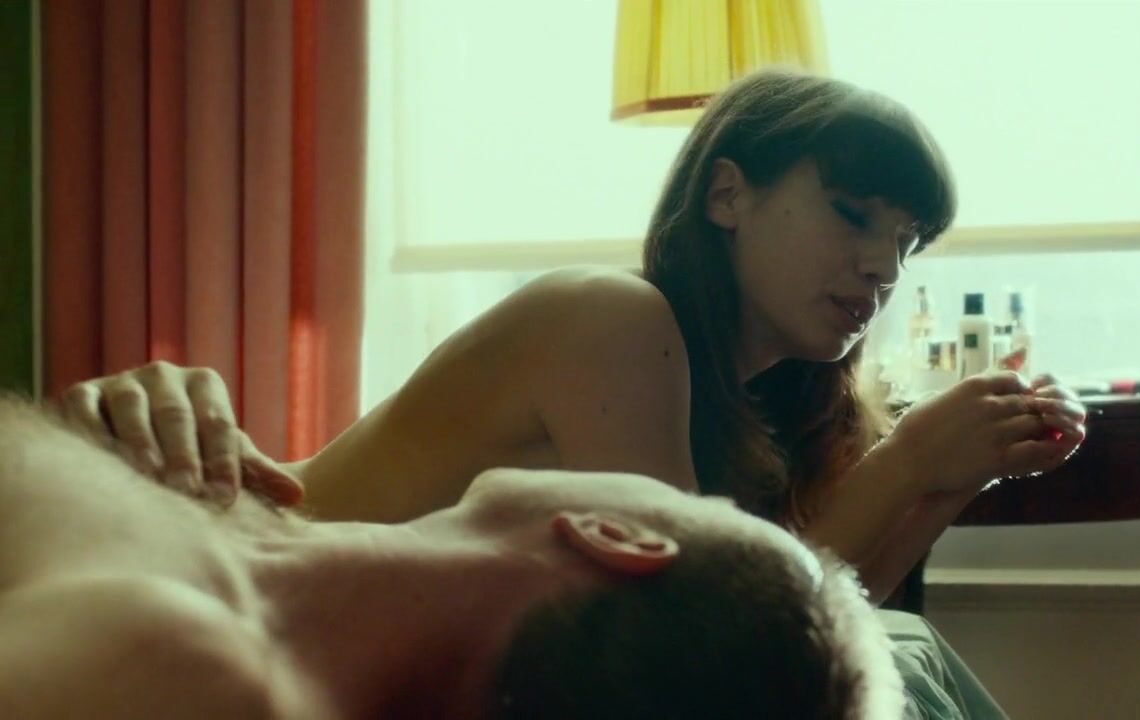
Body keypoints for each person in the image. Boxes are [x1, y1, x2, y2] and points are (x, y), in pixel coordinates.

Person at [61, 69, 1087, 717]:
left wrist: (952, 479)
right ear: (727, 194)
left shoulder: (768, 401)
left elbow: (834, 620)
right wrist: (907, 464)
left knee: (905, 657)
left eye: (905, 243)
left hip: (357, 660)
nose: (880, 266)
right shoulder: (609, 322)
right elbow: (710, 641)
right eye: (852, 214)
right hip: (217, 588)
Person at [0, 396, 903, 719]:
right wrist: (98, 439)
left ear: (621, 537)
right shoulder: (239, 550)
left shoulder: (184, 668)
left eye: (700, 502)